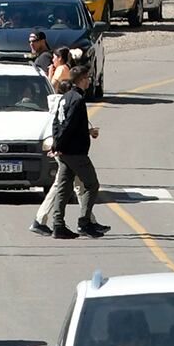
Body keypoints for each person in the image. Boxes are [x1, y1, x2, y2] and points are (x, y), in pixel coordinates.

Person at [32, 58, 107, 239]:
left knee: (63, 188)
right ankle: (85, 222)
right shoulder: (78, 99)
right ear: (80, 80)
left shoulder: (65, 97)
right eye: (87, 78)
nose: (89, 81)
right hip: (75, 151)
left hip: (65, 151)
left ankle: (58, 225)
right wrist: (61, 145)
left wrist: (58, 144)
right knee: (92, 185)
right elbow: (69, 125)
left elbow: (57, 124)